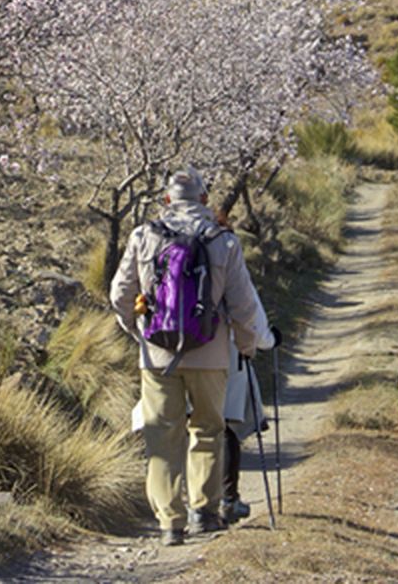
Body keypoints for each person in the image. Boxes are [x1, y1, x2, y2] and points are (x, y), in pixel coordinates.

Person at [111, 167, 265, 546]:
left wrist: (140, 333)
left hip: (158, 356)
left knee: (162, 437)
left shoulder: (142, 236)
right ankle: (203, 511)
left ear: (166, 200)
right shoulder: (223, 241)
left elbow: (119, 293)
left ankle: (169, 523)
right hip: (211, 354)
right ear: (204, 200)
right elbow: (243, 305)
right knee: (209, 430)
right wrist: (248, 344)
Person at [220, 298, 278, 523]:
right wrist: (269, 339)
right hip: (225, 356)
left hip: (166, 354)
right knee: (226, 426)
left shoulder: (158, 260)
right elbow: (248, 309)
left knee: (185, 428)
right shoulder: (228, 261)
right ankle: (227, 500)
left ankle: (180, 507)